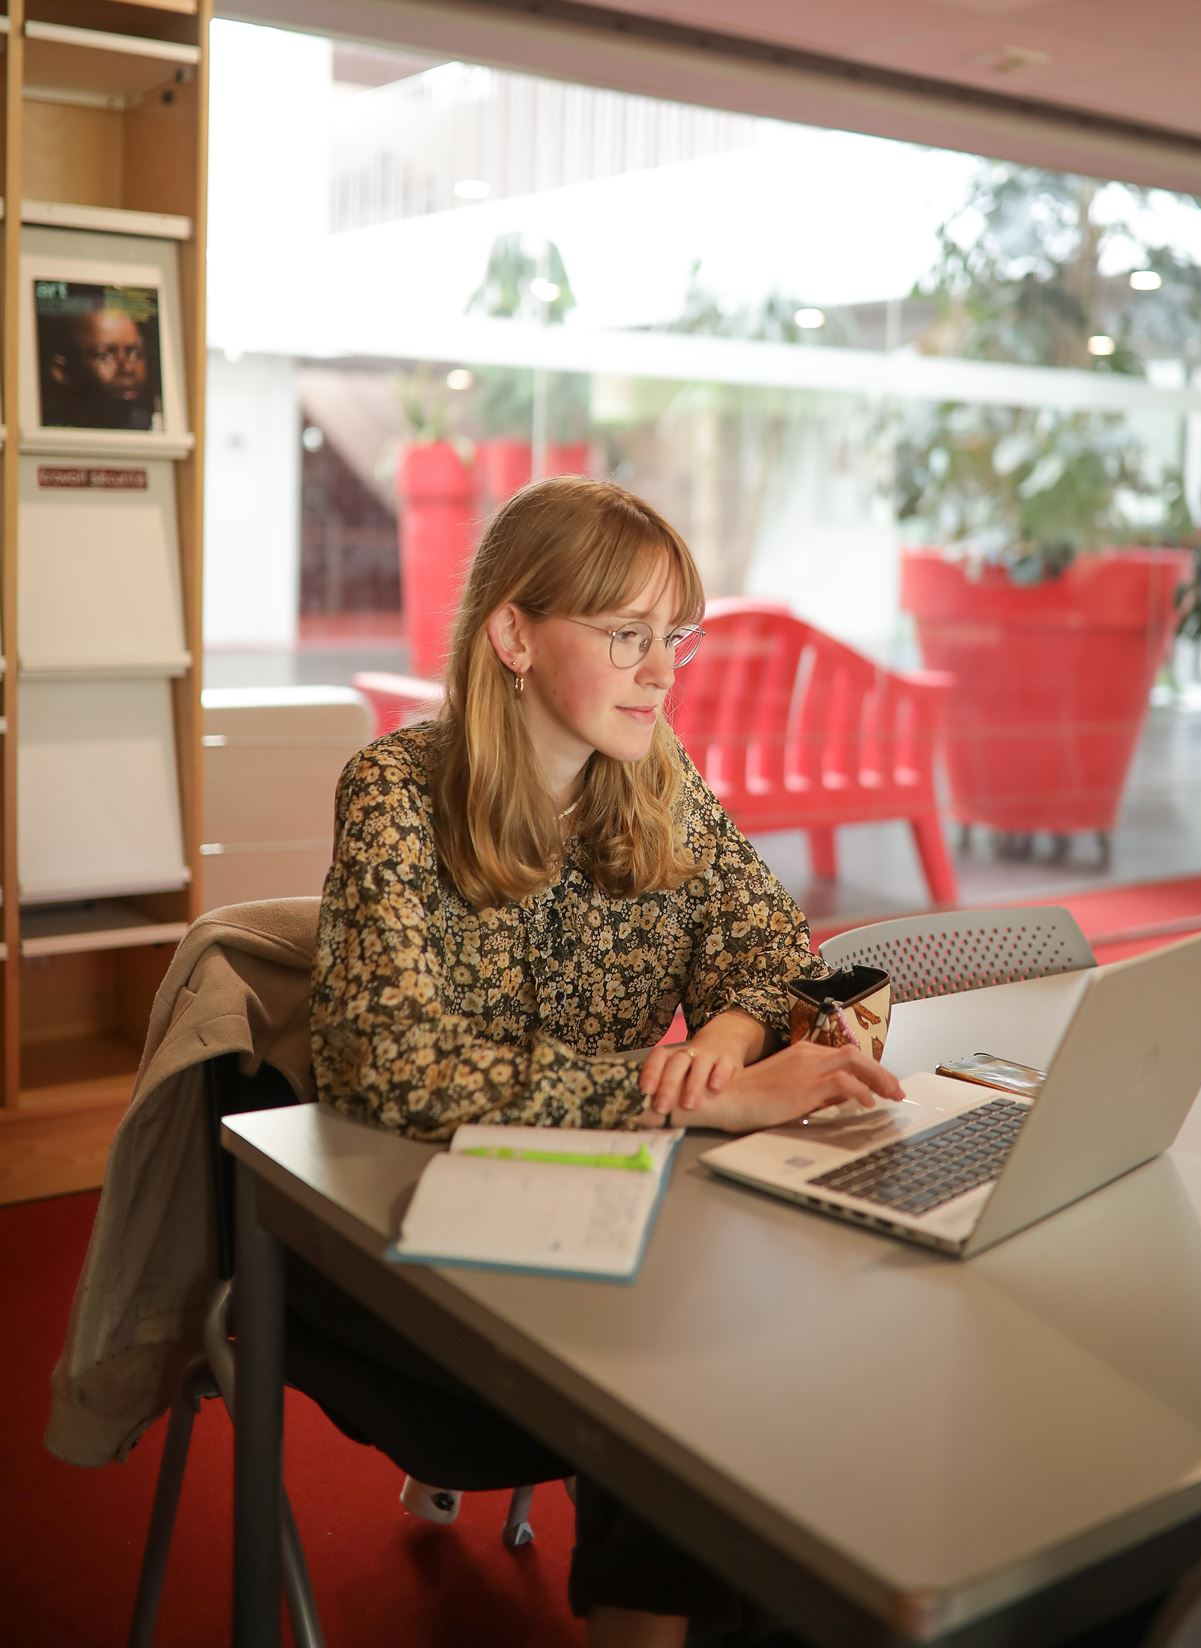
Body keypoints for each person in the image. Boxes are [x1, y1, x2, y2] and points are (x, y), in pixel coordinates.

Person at [310, 475, 900, 1648]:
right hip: (416, 1230)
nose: (662, 670)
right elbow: (392, 1067)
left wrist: (732, 1029)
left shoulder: (659, 784)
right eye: (626, 636)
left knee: (759, 1351)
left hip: (604, 1219)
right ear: (514, 634)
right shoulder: (395, 788)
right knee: (685, 1390)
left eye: (669, 636)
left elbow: (793, 961)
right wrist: (691, 1101)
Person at [41, 303, 158, 431]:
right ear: (61, 371)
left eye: (135, 353)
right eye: (104, 355)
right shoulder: (50, 430)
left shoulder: (150, 427)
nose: (128, 368)